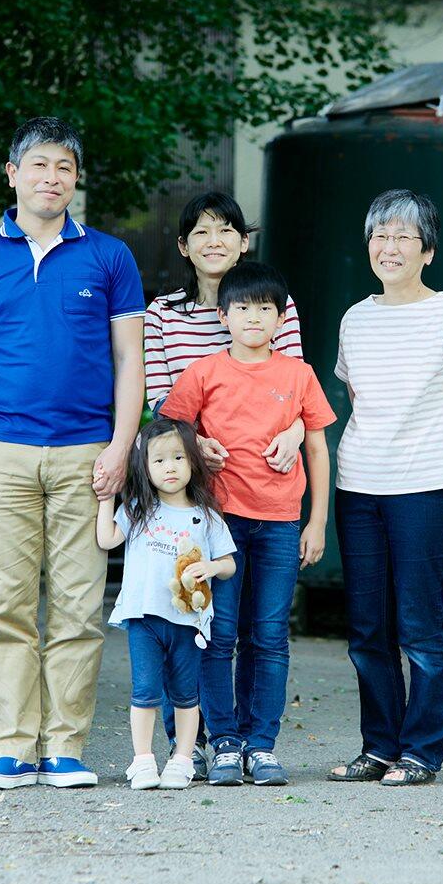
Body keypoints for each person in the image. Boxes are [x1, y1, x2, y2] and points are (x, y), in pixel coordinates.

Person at [0, 116, 145, 791]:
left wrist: (121, 448)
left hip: (88, 454)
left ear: (76, 180)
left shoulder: (110, 257)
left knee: (81, 607)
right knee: (6, 606)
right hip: (1, 455)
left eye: (64, 167)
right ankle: (12, 748)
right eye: (39, 166)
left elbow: (128, 362)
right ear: (13, 174)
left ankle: (65, 748)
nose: (51, 178)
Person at [327, 189, 443, 788]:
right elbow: (358, 402)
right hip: (360, 487)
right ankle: (379, 746)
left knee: (420, 626)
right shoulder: (355, 318)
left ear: (427, 250)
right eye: (379, 235)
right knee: (367, 628)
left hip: (428, 489)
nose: (388, 247)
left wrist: (440, 464)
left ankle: (421, 750)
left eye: (402, 237)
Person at [143, 190, 308, 774]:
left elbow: (296, 394)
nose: (215, 242)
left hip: (266, 493)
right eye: (201, 232)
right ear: (185, 246)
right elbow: (160, 401)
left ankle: (247, 743)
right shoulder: (164, 314)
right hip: (195, 493)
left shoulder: (273, 305)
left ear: (244, 240)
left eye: (227, 230)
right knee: (192, 614)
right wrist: (194, 445)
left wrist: (293, 433)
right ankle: (189, 741)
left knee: (260, 628)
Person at [159, 261, 335, 787]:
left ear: (282, 318)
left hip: (281, 523)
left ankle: (262, 744)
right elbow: (170, 429)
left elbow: (320, 448)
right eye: (242, 308)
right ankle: (225, 742)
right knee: (219, 634)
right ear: (224, 314)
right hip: (218, 524)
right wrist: (197, 445)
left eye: (265, 309)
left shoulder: (297, 374)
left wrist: (318, 521)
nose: (253, 318)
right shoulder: (205, 373)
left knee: (270, 636)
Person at [96, 418, 237, 790]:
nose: (169, 467)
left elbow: (229, 564)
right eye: (158, 461)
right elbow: (108, 539)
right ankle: (142, 760)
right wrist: (106, 497)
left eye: (177, 457)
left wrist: (211, 565)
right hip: (144, 618)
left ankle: (182, 759)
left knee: (186, 693)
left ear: (193, 461)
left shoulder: (205, 515)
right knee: (144, 691)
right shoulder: (139, 509)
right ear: (144, 468)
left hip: (187, 620)